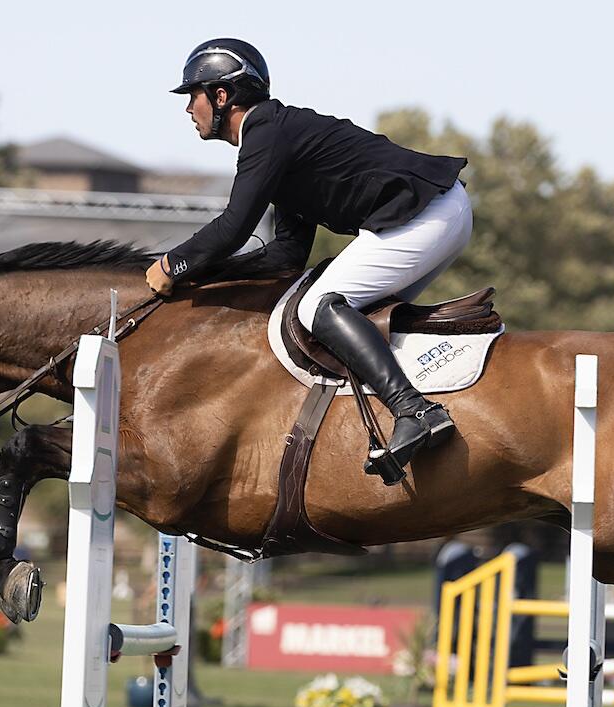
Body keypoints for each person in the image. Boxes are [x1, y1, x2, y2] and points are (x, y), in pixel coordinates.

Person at [146, 38, 473, 484]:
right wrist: (204, 279)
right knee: (342, 312)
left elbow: (235, 225)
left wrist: (173, 265)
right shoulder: (274, 136)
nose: (188, 110)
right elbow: (287, 255)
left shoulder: (265, 132)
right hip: (436, 213)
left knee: (318, 305)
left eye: (193, 96)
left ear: (221, 96)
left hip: (425, 215)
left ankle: (415, 411)